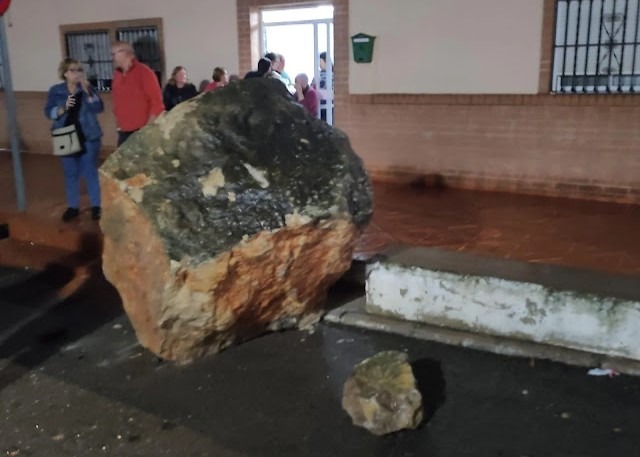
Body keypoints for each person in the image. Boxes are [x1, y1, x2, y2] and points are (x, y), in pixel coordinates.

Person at [44, 58, 104, 222]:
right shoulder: (56, 90)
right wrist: (63, 108)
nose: (77, 73)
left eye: (79, 70)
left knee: (90, 171)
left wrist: (89, 92)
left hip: (88, 135)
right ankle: (73, 207)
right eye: (73, 70)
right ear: (64, 73)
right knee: (70, 173)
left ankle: (96, 206)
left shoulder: (87, 88)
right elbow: (48, 112)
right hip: (65, 135)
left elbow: (99, 108)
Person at [111, 41, 164, 146]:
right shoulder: (117, 75)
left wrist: (146, 131)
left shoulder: (144, 73)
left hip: (141, 131)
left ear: (125, 53)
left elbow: (157, 104)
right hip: (123, 131)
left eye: (114, 54)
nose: (112, 57)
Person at [312, 52, 334, 122]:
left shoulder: (320, 75)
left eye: (320, 61)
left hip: (324, 105)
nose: (319, 65)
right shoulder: (332, 74)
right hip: (328, 105)